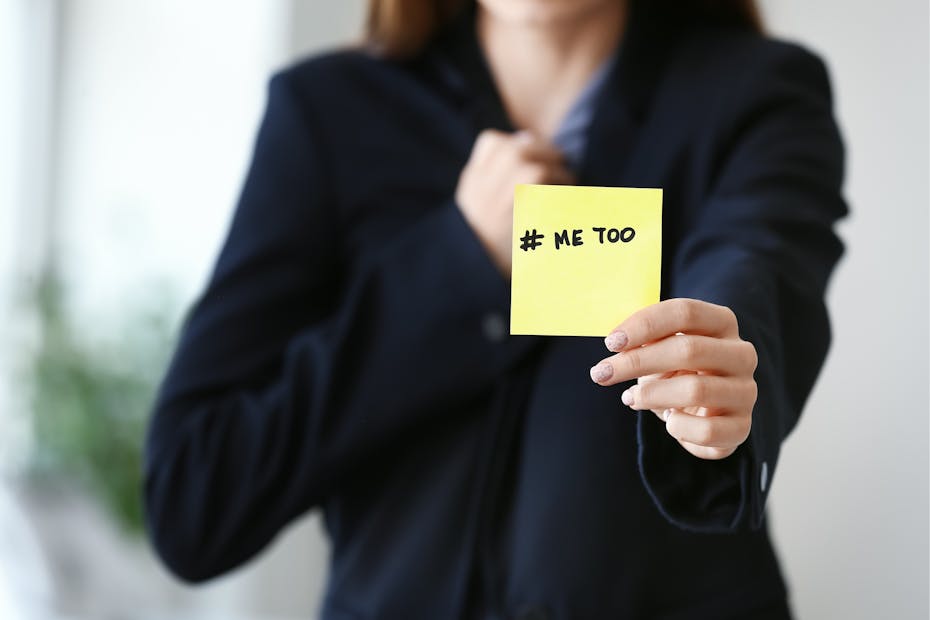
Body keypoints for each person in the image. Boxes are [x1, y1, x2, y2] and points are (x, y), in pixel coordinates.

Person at [143, 0, 846, 617]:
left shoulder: (761, 93)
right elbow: (194, 496)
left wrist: (721, 360)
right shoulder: (325, 112)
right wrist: (456, 263)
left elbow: (755, 260)